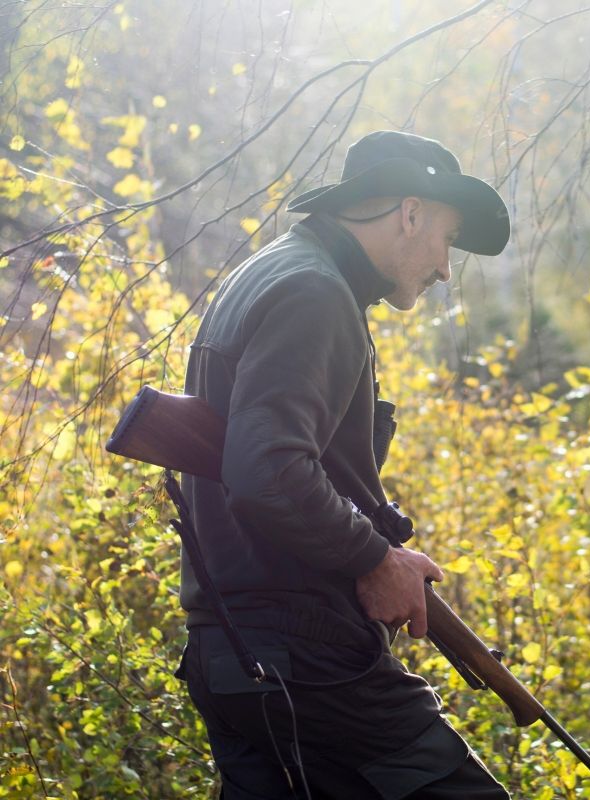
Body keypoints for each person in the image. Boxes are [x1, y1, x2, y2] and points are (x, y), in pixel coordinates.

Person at [177, 131, 512, 799]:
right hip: (305, 653)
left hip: (232, 651)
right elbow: (268, 471)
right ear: (410, 214)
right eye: (447, 239)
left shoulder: (275, 270)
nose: (446, 268)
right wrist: (375, 559)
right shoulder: (315, 292)